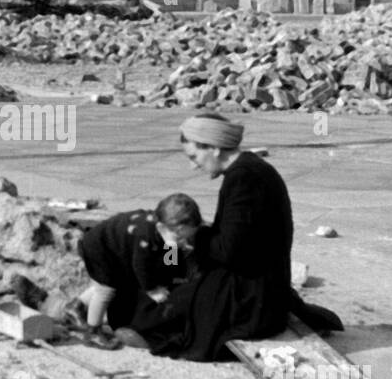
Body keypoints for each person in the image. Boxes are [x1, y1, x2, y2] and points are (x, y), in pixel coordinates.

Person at [131, 111, 342, 361]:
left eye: (194, 156)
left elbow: (224, 251)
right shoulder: (248, 171)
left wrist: (191, 240)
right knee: (176, 281)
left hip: (253, 292)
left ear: (214, 148)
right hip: (256, 279)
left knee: (170, 304)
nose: (193, 165)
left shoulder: (244, 179)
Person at [69, 193, 202, 349]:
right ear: (161, 227)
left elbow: (169, 260)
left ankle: (76, 306)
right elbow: (141, 268)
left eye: (187, 238)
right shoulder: (145, 238)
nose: (182, 242)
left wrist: (174, 251)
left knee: (112, 282)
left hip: (116, 249)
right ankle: (93, 330)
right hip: (99, 250)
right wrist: (152, 290)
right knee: (106, 289)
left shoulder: (164, 231)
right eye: (179, 238)